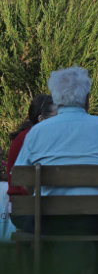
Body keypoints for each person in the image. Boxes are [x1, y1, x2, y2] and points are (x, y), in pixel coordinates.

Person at [14, 66, 98, 274]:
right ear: (87, 98)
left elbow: (22, 178)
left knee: (38, 224)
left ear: (56, 99)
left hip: (52, 221)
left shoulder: (38, 132)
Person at [7, 93, 57, 231]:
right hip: (29, 209)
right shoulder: (35, 138)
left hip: (20, 207)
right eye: (56, 117)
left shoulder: (25, 135)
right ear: (41, 119)